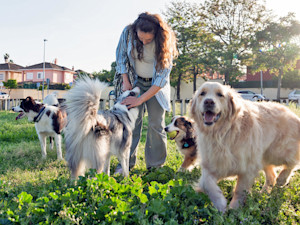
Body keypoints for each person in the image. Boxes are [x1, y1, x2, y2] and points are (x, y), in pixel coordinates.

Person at [114, 12, 178, 173]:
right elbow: (121, 57)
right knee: (130, 124)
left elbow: (161, 79)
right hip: (135, 81)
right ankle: (125, 164)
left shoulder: (165, 41)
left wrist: (140, 100)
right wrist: (126, 81)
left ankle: (156, 166)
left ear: (156, 34)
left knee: (156, 124)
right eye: (141, 38)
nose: (143, 42)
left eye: (148, 40)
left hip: (156, 87)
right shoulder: (128, 33)